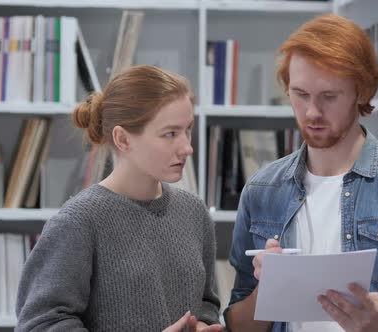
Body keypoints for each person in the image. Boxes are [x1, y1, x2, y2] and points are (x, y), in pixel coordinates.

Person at [224, 14, 378, 332]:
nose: (312, 112)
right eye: (300, 94)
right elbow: (238, 324)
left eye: (329, 97)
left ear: (361, 93)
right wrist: (267, 289)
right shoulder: (262, 190)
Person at [15, 65, 223, 332]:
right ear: (123, 139)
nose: (187, 147)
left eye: (188, 130)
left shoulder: (194, 212)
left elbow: (206, 301)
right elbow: (40, 324)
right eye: (170, 133)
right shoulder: (78, 222)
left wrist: (204, 323)